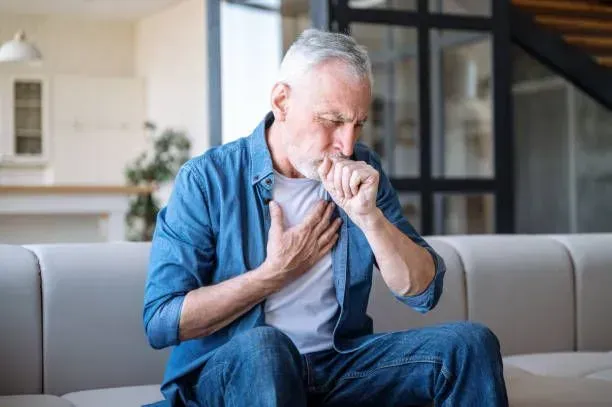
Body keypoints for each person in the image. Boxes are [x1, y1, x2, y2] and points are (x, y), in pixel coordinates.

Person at [143, 28, 509, 407]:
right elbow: (162, 320)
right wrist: (273, 275)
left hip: (337, 366)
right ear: (282, 101)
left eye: (358, 123)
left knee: (469, 345)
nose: (346, 144)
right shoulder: (208, 179)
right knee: (266, 348)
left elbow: (423, 292)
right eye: (332, 120)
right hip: (237, 372)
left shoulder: (363, 168)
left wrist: (370, 219)